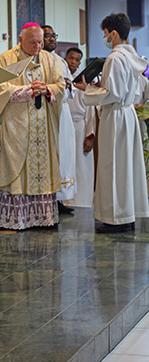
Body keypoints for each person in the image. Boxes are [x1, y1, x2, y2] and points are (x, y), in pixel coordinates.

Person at [74, 13, 149, 232]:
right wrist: (100, 87)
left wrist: (87, 88)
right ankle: (127, 213)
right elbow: (136, 89)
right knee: (126, 166)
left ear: (114, 33)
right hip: (127, 115)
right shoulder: (132, 56)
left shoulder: (115, 58)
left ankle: (116, 219)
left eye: (105, 33)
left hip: (115, 117)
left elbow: (112, 93)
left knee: (112, 166)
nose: (105, 38)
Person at [0, 22, 65, 230]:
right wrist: (27, 90)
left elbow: (61, 85)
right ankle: (19, 220)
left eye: (40, 42)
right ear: (21, 40)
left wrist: (47, 88)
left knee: (44, 169)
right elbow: (0, 88)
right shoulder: (7, 58)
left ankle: (44, 218)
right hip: (18, 125)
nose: (38, 47)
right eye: (33, 42)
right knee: (17, 169)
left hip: (44, 124)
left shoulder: (50, 59)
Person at [42, 25, 76, 214]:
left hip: (63, 112)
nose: (52, 39)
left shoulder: (60, 60)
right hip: (48, 111)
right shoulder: (37, 60)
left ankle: (60, 197)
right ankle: (50, 197)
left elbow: (70, 91)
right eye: (47, 36)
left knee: (64, 154)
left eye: (53, 35)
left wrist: (69, 86)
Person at [63, 48, 96, 208]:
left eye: (77, 60)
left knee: (83, 167)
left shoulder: (84, 81)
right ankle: (66, 200)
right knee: (67, 163)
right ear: (66, 58)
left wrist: (90, 136)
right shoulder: (61, 78)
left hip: (81, 126)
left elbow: (90, 110)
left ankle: (83, 200)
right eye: (71, 58)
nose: (73, 62)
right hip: (65, 126)